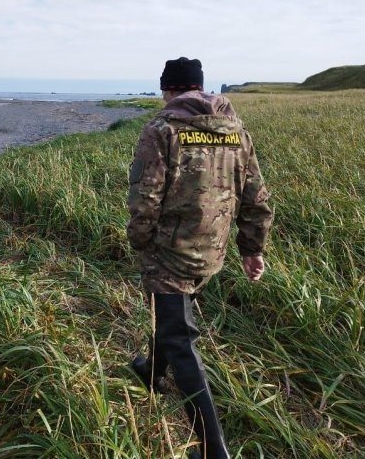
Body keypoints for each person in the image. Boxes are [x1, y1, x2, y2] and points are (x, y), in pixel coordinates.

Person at [127, 57, 272, 459]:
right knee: (170, 317)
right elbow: (255, 195)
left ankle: (213, 450)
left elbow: (145, 197)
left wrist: (139, 240)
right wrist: (252, 249)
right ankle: (151, 372)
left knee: (179, 337)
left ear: (170, 89)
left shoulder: (162, 129)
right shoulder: (235, 130)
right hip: (213, 250)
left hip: (169, 253)